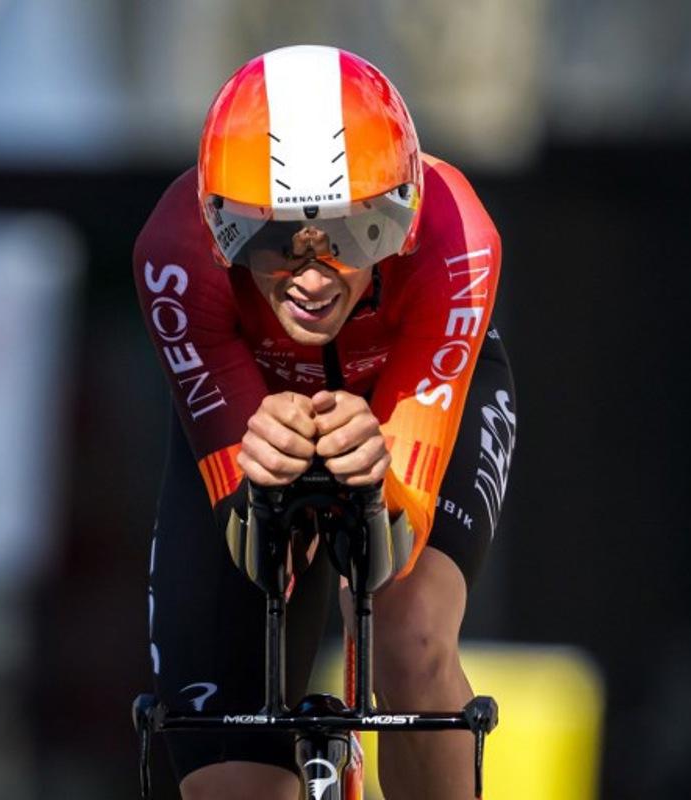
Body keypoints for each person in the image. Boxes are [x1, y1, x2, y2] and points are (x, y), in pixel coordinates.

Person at [133, 44, 517, 799]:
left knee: (408, 633)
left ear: (402, 216)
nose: (311, 276)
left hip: (412, 396)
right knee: (231, 781)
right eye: (269, 238)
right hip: (255, 408)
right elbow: (250, 535)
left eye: (353, 235)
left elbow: (391, 547)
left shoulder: (458, 240)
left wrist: (380, 472)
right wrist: (254, 463)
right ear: (217, 227)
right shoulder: (173, 254)